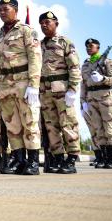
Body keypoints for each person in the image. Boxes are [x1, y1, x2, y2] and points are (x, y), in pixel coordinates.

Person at [0, 0, 42, 175]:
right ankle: (19, 160)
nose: (2, 12)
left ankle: (33, 161)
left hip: (23, 81)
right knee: (12, 125)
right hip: (5, 84)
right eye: (0, 10)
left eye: (6, 9)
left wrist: (34, 85)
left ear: (16, 10)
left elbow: (35, 58)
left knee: (29, 121)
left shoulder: (27, 31)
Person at [39, 11, 81, 174]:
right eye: (42, 22)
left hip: (62, 90)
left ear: (56, 23)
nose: (44, 25)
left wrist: (72, 89)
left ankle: (71, 158)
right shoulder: (39, 45)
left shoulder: (65, 42)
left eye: (47, 22)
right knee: (51, 127)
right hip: (45, 91)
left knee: (68, 124)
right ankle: (57, 158)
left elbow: (74, 67)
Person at [81, 38, 112, 169]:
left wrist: (103, 78)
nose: (88, 48)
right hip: (91, 98)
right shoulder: (85, 64)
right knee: (98, 129)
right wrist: (83, 102)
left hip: (105, 97)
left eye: (91, 46)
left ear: (98, 47)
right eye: (86, 46)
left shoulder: (107, 62)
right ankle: (104, 158)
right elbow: (83, 84)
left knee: (109, 127)